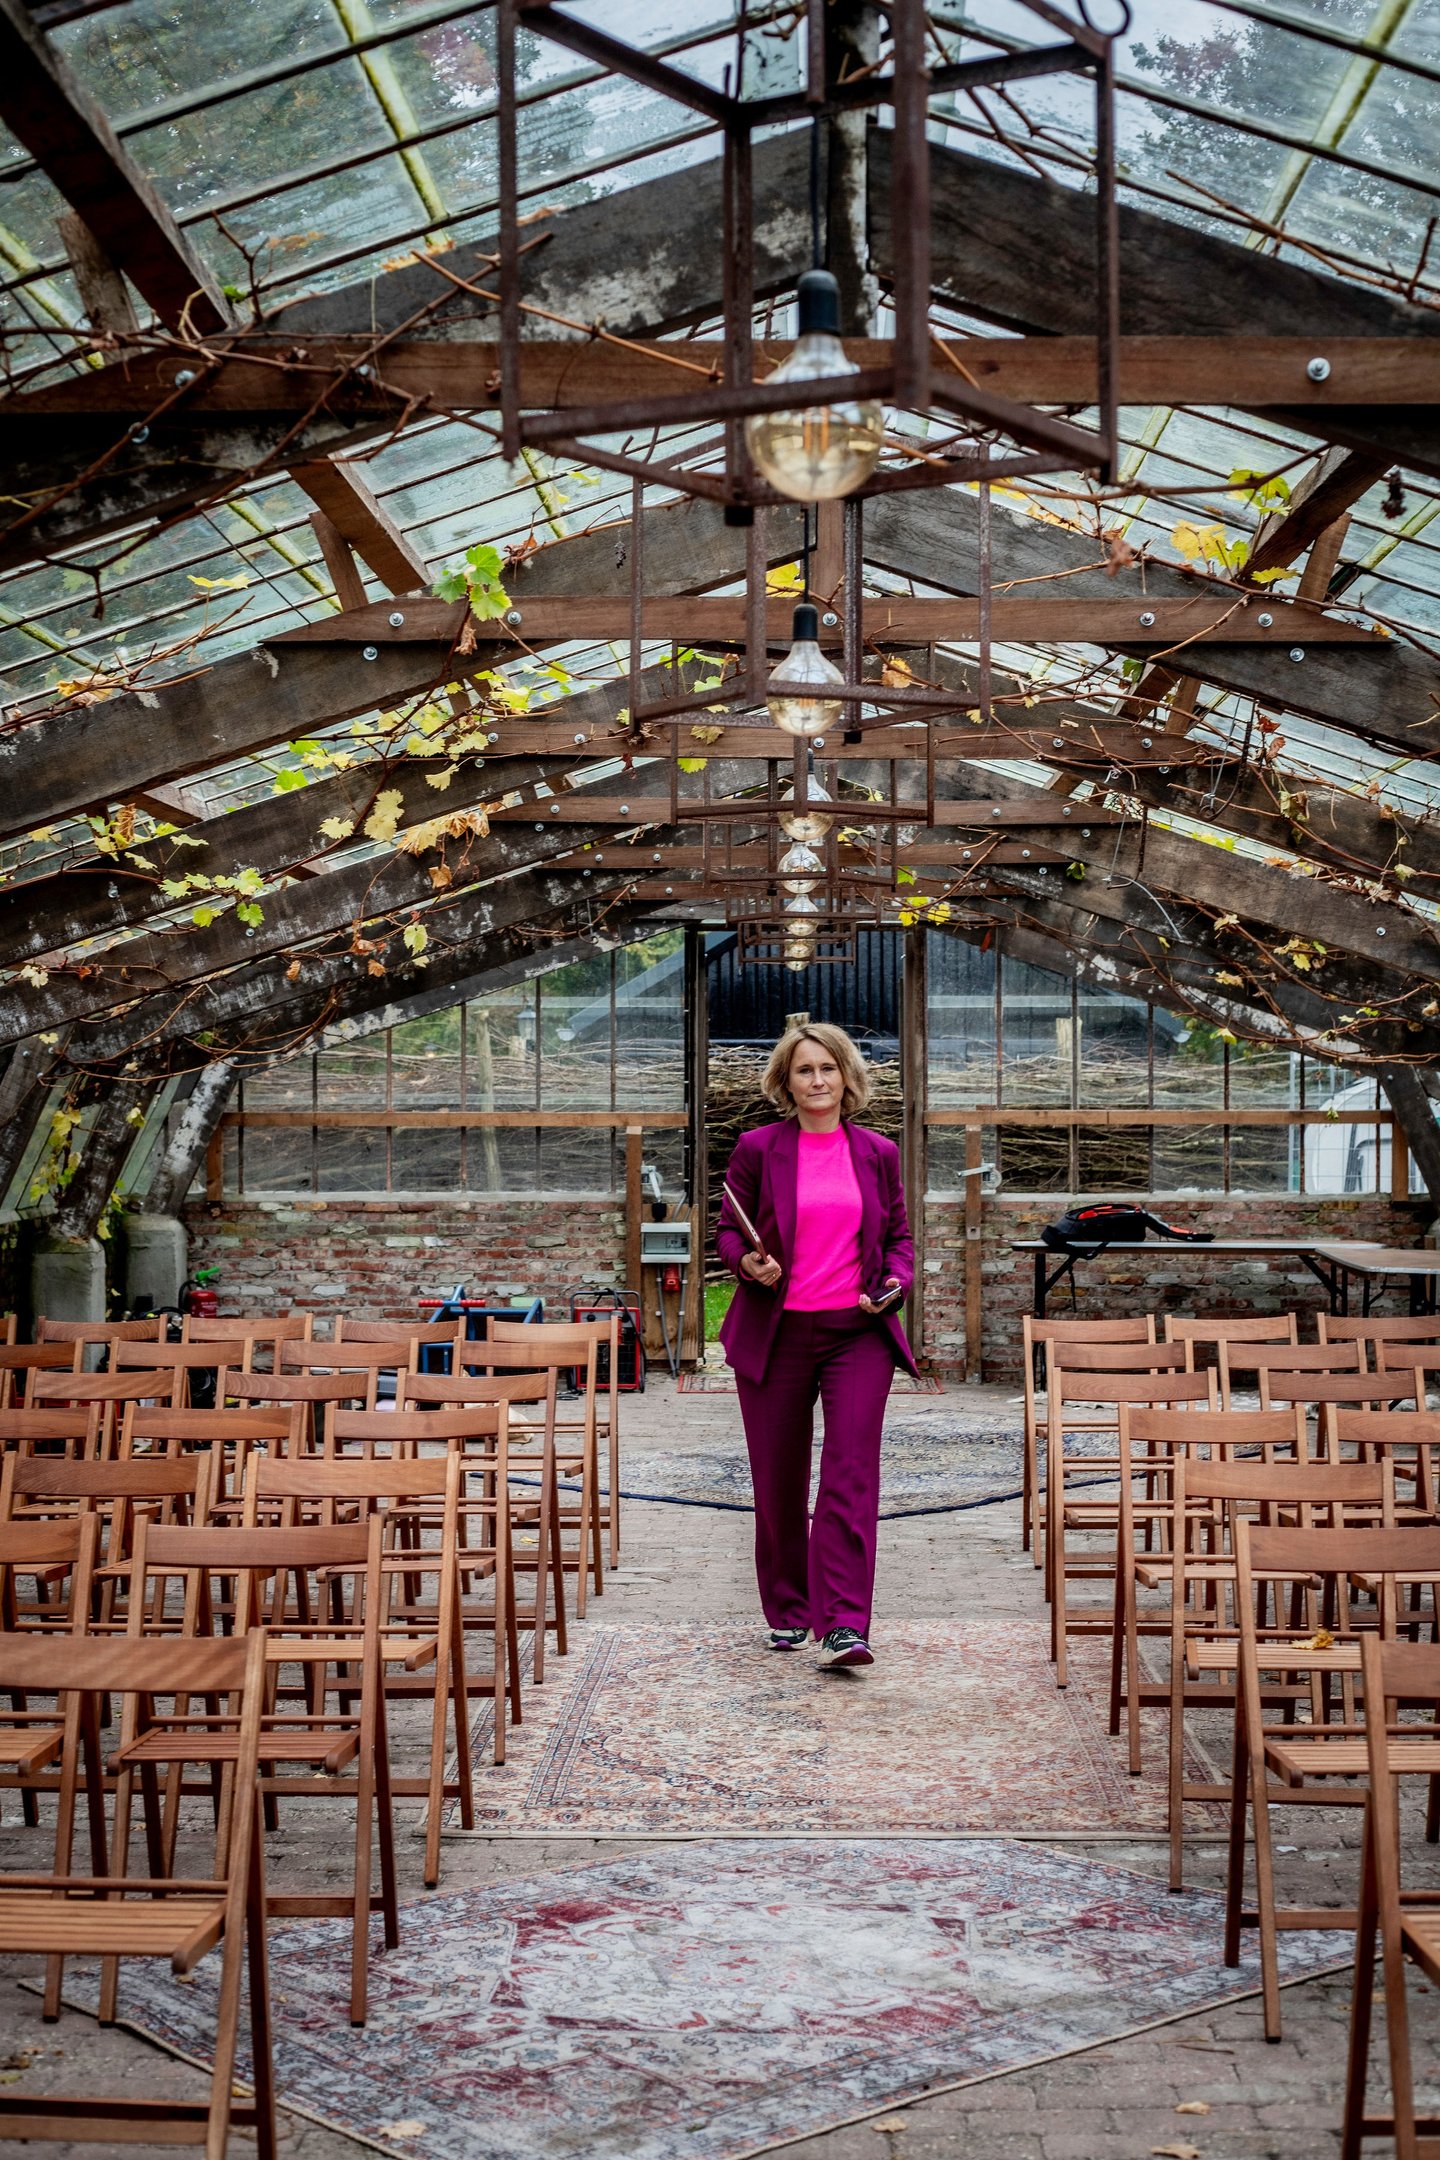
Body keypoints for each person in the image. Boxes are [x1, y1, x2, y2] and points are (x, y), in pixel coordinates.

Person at [715, 1021, 916, 1670]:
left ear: (847, 1077)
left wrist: (894, 1282)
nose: (817, 1080)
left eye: (827, 1068)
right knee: (779, 1481)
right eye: (804, 1070)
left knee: (849, 1477)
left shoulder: (879, 1154)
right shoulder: (756, 1149)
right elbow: (727, 1233)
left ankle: (844, 1625)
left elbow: (900, 1244)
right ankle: (789, 1609)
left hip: (856, 1335)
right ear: (786, 1081)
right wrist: (751, 1265)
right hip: (775, 1336)